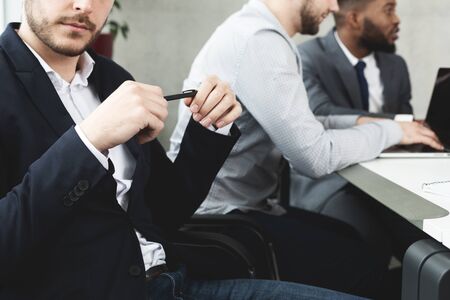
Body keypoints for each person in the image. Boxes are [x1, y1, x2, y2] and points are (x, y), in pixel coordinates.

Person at [0, 0, 364, 299]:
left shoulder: (111, 78)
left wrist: (209, 128)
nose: (85, 6)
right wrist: (88, 142)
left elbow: (164, 213)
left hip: (172, 283)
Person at [168, 0, 443, 298]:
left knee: (353, 240)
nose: (334, 6)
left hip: (241, 208)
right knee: (360, 264)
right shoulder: (260, 41)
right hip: (220, 220)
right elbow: (314, 157)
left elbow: (303, 121)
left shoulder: (254, 31)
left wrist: (366, 122)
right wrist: (390, 131)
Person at [290, 0, 413, 267]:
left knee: (420, 241)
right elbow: (321, 114)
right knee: (368, 244)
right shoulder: (307, 57)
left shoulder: (396, 66)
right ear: (354, 19)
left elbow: (409, 135)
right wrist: (402, 125)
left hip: (392, 181)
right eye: (388, 10)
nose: (397, 19)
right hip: (331, 182)